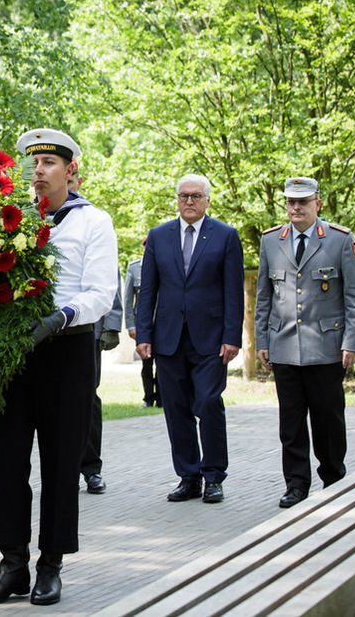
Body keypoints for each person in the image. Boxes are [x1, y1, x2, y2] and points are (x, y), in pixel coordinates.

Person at [0, 129, 117, 606]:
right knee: (9, 461)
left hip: (66, 351)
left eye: (49, 163)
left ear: (71, 169)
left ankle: (50, 565)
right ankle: (11, 563)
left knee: (61, 464)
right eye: (33, 164)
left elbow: (102, 292)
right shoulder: (6, 222)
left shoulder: (93, 221)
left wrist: (61, 317)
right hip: (15, 350)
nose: (37, 171)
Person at [255, 176, 355, 509]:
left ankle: (333, 481)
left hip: (326, 347)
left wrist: (352, 342)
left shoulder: (338, 240)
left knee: (328, 419)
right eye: (291, 202)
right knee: (290, 422)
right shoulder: (271, 241)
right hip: (285, 345)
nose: (296, 208)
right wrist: (262, 340)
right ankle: (296, 484)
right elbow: (264, 296)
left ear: (317, 203)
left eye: (303, 202)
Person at [135, 174, 244, 505]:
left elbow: (233, 291)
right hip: (168, 338)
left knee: (209, 404)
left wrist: (232, 336)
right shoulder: (158, 236)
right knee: (176, 408)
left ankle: (213, 476)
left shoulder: (225, 236)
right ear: (177, 199)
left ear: (208, 200)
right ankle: (188, 476)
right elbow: (148, 289)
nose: (189, 202)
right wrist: (144, 334)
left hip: (211, 339)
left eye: (196, 196)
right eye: (184, 196)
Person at [67, 163, 121, 495]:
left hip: (90, 328)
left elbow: (109, 280)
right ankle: (65, 466)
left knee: (89, 399)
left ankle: (91, 467)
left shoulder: (93, 221)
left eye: (71, 181)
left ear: (77, 180)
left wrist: (111, 326)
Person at [124, 239, 160, 407]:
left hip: (162, 324)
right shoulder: (134, 267)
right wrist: (131, 325)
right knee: (146, 364)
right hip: (143, 326)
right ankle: (148, 397)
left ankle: (161, 398)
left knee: (162, 363)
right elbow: (128, 299)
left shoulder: (164, 265)